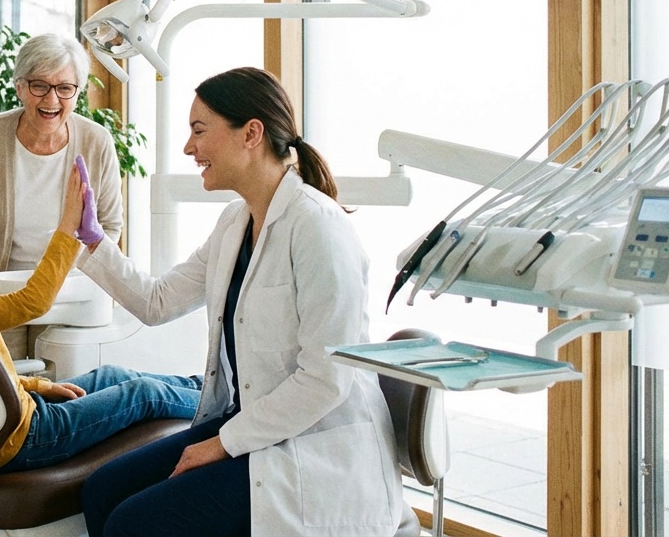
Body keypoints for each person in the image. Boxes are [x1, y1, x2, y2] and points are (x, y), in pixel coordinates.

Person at [74, 67, 414, 537]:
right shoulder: (236, 222)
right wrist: (92, 240)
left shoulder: (317, 227)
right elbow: (157, 302)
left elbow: (325, 378)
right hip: (253, 425)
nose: (189, 148)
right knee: (101, 490)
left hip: (312, 445)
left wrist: (221, 444)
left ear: (251, 133)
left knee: (133, 525)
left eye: (199, 131)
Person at [0, 178, 201, 473]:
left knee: (112, 376)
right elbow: (35, 300)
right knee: (140, 395)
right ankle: (221, 406)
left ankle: (206, 385)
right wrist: (69, 226)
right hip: (26, 437)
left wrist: (41, 386)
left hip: (17, 419)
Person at [0, 32, 122, 279]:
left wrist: (83, 280)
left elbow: (111, 226)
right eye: (39, 85)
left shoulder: (97, 140)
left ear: (78, 93)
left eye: (64, 88)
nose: (51, 99)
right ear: (19, 87)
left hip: (73, 286)